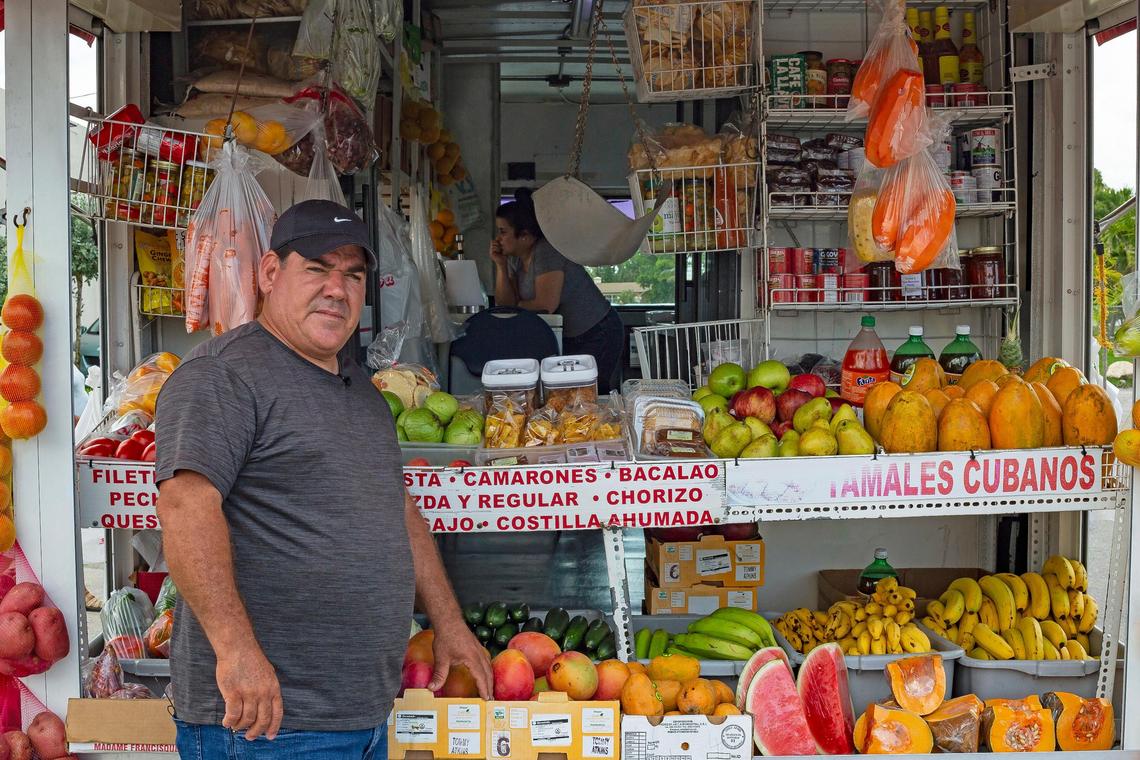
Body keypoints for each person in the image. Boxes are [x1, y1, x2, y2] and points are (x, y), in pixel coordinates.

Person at [155, 200, 491, 759]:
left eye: (353, 275)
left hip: (362, 717)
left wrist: (449, 623)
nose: (337, 288)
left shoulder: (361, 392)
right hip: (267, 724)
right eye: (316, 268)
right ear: (269, 273)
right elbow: (186, 507)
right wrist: (236, 650)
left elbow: (399, 513)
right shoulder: (223, 376)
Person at [492, 189, 624, 393]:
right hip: (572, 336)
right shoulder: (514, 259)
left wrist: (516, 306)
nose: (497, 239)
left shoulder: (546, 252)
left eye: (502, 232)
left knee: (591, 393)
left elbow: (545, 306)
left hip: (597, 331)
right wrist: (500, 265)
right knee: (570, 395)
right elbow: (504, 304)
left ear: (525, 236)